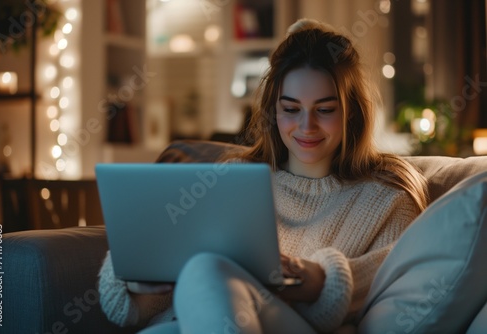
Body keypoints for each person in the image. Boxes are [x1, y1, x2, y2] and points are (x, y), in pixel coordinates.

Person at [98, 18, 428, 333]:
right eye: (290, 109)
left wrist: (322, 281)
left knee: (207, 269)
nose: (306, 126)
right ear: (273, 110)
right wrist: (139, 278)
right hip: (194, 322)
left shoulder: (387, 196)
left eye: (325, 110)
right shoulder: (232, 177)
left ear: (351, 111)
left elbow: (401, 279)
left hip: (292, 326)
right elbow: (152, 300)